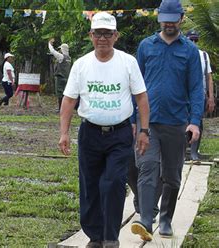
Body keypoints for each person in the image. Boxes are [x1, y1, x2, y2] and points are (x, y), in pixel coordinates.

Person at [58, 12, 150, 248]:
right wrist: (64, 133)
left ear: (115, 36)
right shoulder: (81, 65)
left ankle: (111, 237)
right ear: (91, 35)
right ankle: (95, 237)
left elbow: (141, 98)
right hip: (90, 133)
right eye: (98, 33)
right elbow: (69, 101)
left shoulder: (127, 62)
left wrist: (144, 131)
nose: (102, 38)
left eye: (107, 34)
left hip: (119, 134)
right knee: (90, 187)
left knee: (112, 183)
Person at [130, 0, 204, 241]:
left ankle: (165, 218)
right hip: (147, 122)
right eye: (165, 18)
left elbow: (195, 88)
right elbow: (136, 85)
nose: (169, 23)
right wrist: (133, 120)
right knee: (148, 168)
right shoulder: (146, 46)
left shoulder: (190, 51)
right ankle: (144, 219)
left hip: (176, 122)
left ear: (181, 18)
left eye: (173, 18)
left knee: (172, 175)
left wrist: (194, 121)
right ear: (159, 18)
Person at [186, 30, 215, 161]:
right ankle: (182, 151)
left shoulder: (203, 56)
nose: (193, 43)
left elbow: (208, 77)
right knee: (182, 122)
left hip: (199, 95)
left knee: (198, 122)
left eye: (195, 40)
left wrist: (211, 97)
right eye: (190, 40)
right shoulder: (182, 54)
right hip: (183, 96)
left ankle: (194, 152)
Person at [48, 38, 71, 112]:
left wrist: (49, 44)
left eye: (60, 49)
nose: (60, 50)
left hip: (60, 78)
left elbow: (52, 51)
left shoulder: (61, 57)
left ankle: (60, 108)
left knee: (60, 94)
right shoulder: (69, 58)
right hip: (66, 78)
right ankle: (64, 108)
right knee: (65, 94)